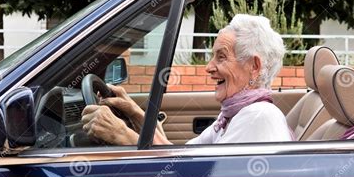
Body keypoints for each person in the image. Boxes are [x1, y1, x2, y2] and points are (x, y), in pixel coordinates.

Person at [81, 14, 294, 145]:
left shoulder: (257, 117)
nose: (209, 67)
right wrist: (135, 113)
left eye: (221, 57)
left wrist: (119, 132)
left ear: (253, 67)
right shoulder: (234, 115)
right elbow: (180, 157)